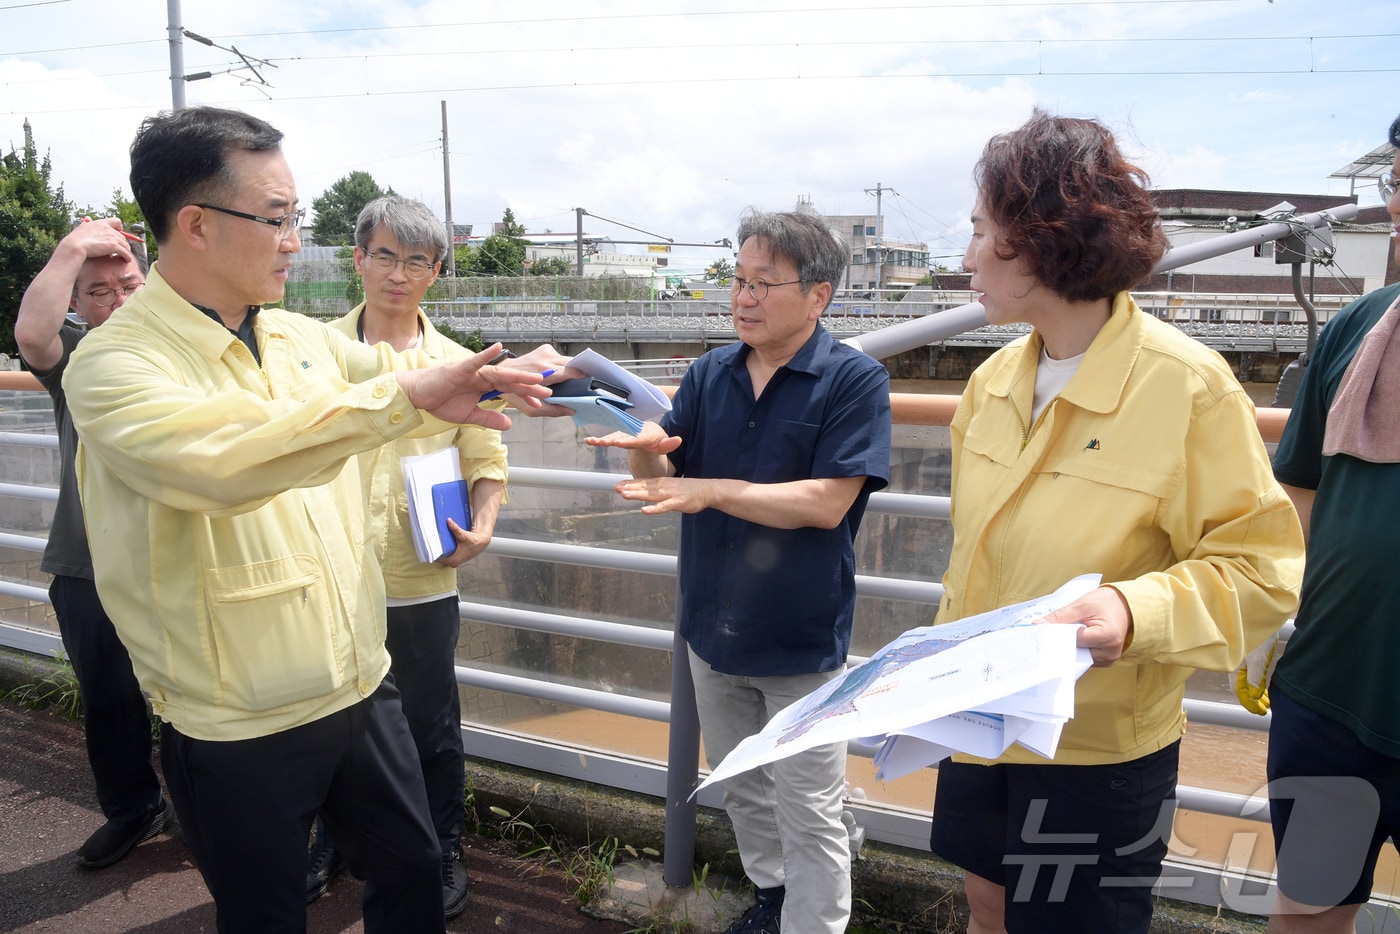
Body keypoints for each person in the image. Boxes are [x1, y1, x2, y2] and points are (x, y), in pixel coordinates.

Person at [61, 105, 559, 934]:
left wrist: (512, 374)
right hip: (237, 718)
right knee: (265, 914)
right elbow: (225, 461)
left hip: (361, 682)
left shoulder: (298, 336)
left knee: (410, 875)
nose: (297, 240)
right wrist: (407, 393)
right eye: (279, 218)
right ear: (196, 225)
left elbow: (407, 370)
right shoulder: (117, 365)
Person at [927, 110, 1304, 934]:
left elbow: (1261, 568)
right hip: (977, 720)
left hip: (1094, 750)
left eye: (982, 233)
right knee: (985, 905)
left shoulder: (1186, 387)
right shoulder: (990, 386)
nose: (965, 260)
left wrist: (1136, 612)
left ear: (1042, 240)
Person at [588, 207, 892, 934]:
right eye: (738, 279)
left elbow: (826, 503)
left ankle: (815, 924)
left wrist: (712, 489)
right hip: (709, 627)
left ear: (818, 297)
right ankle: (773, 892)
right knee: (740, 782)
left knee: (810, 803)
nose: (743, 297)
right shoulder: (710, 372)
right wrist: (645, 444)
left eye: (765, 283)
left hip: (799, 636)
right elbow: (668, 475)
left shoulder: (853, 381)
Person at [304, 195, 509, 917]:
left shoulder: (460, 362)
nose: (399, 273)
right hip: (331, 574)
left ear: (436, 271)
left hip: (421, 577)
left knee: (428, 725)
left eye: (416, 259)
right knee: (329, 720)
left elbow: (486, 456)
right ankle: (334, 840)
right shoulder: (312, 352)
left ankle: (442, 844)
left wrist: (481, 524)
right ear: (358, 260)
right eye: (385, 255)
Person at [1263, 113, 1400, 934]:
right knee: (1308, 917)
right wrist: (1282, 611)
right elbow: (1303, 492)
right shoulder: (1360, 328)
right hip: (1329, 701)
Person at [13, 218, 174, 869]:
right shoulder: (76, 354)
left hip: (176, 558)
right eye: (98, 292)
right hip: (85, 562)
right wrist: (75, 244)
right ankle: (133, 809)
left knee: (197, 698)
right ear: (77, 304)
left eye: (127, 285)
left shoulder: (180, 345)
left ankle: (205, 811)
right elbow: (31, 333)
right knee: (109, 700)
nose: (116, 302)